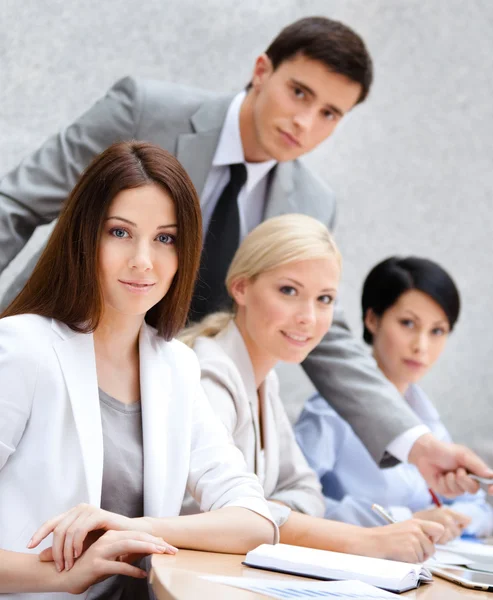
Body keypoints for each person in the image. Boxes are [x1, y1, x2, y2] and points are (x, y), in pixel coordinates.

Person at [0, 17, 490, 494]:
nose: (305, 121)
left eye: (330, 114)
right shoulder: (145, 111)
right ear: (261, 71)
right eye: (299, 92)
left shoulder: (312, 202)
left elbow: (324, 331)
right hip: (55, 345)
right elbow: (17, 204)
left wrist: (418, 444)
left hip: (163, 399)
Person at [0, 141, 278, 599]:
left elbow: (255, 520)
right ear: (83, 237)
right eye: (120, 232)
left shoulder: (176, 367)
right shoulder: (23, 347)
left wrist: (132, 528)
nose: (143, 261)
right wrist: (60, 575)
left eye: (165, 238)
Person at [180, 215, 445, 563]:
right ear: (241, 287)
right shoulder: (208, 376)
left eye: (324, 299)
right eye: (289, 291)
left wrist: (266, 512)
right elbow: (205, 517)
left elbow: (307, 491)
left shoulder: (264, 382)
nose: (309, 316)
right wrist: (365, 540)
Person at [296, 257, 493, 542]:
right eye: (408, 323)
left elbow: (475, 509)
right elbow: (292, 506)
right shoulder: (329, 411)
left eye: (437, 331)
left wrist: (452, 521)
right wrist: (404, 520)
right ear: (372, 319)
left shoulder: (426, 419)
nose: (421, 346)